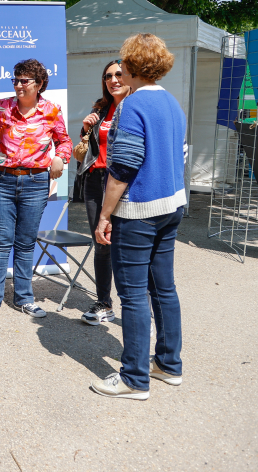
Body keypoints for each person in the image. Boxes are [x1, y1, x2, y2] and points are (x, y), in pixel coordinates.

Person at [90, 33, 187, 400]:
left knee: (131, 295)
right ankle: (168, 365)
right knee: (164, 287)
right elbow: (178, 157)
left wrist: (105, 215)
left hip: (140, 212)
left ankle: (133, 378)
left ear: (131, 65)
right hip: (170, 207)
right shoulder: (171, 102)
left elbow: (124, 167)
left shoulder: (132, 105)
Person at [0, 59, 72, 322]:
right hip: (2, 181)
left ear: (39, 84)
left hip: (36, 182)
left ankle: (24, 298)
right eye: (15, 80)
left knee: (25, 242)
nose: (18, 85)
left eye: (24, 80)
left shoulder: (52, 110)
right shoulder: (3, 107)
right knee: (0, 241)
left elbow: (64, 141)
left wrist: (60, 159)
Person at [73, 60, 130, 325]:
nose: (113, 80)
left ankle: (138, 309)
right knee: (102, 243)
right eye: (108, 76)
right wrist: (86, 129)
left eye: (119, 74)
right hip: (96, 181)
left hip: (123, 182)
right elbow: (86, 150)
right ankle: (104, 304)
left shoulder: (136, 106)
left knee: (129, 245)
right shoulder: (101, 108)